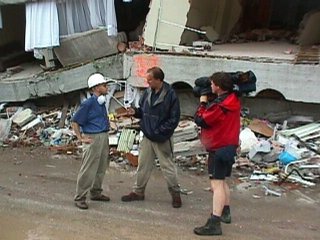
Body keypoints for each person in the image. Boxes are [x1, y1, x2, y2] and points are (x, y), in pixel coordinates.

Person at [121, 66, 182, 208]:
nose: (147, 82)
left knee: (167, 167)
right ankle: (138, 191)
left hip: (162, 138)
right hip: (148, 136)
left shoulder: (171, 95)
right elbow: (143, 111)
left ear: (158, 80)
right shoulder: (147, 93)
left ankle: (175, 194)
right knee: (143, 165)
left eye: (150, 80)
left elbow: (174, 119)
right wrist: (134, 112)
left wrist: (160, 132)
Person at [193, 72, 241, 235]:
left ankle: (214, 222)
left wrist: (202, 101)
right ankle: (225, 212)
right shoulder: (233, 98)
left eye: (212, 84)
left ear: (218, 87)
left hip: (219, 148)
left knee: (216, 184)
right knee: (223, 180)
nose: (210, 86)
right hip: (229, 146)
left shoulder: (219, 107)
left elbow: (201, 119)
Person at [71, 73, 111, 210]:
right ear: (96, 87)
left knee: (101, 166)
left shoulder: (101, 102)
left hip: (103, 136)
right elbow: (75, 122)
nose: (107, 87)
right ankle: (80, 197)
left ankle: (96, 192)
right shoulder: (88, 104)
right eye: (104, 85)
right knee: (88, 168)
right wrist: (80, 138)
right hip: (93, 137)